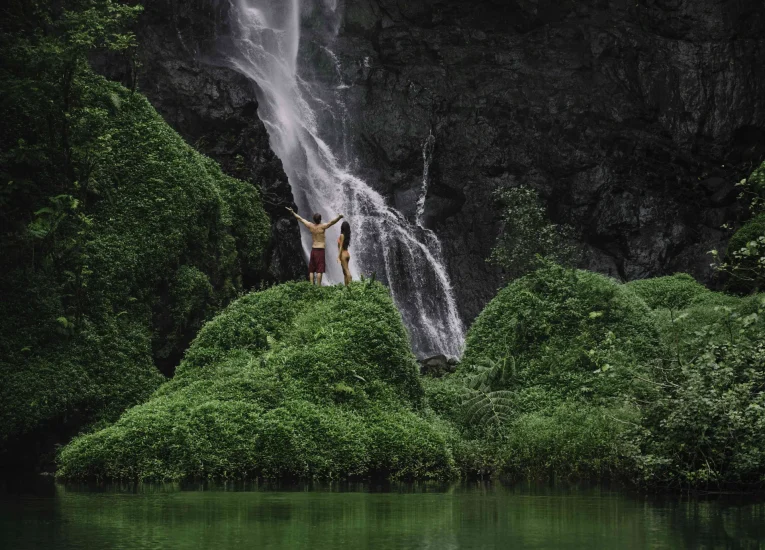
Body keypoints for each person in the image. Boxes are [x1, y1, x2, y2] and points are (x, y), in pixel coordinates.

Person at [287, 207, 343, 285]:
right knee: (319, 269)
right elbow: (331, 222)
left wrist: (292, 212)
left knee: (311, 269)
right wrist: (339, 217)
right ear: (320, 219)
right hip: (320, 250)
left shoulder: (310, 225)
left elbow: (300, 219)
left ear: (314, 219)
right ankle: (318, 287)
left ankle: (311, 285)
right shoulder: (323, 226)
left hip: (313, 249)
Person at [337, 220, 352, 286]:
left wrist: (338, 256)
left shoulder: (342, 235)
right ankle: (346, 288)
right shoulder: (347, 236)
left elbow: (340, 247)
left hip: (343, 254)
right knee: (344, 273)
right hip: (347, 254)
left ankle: (351, 286)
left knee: (347, 271)